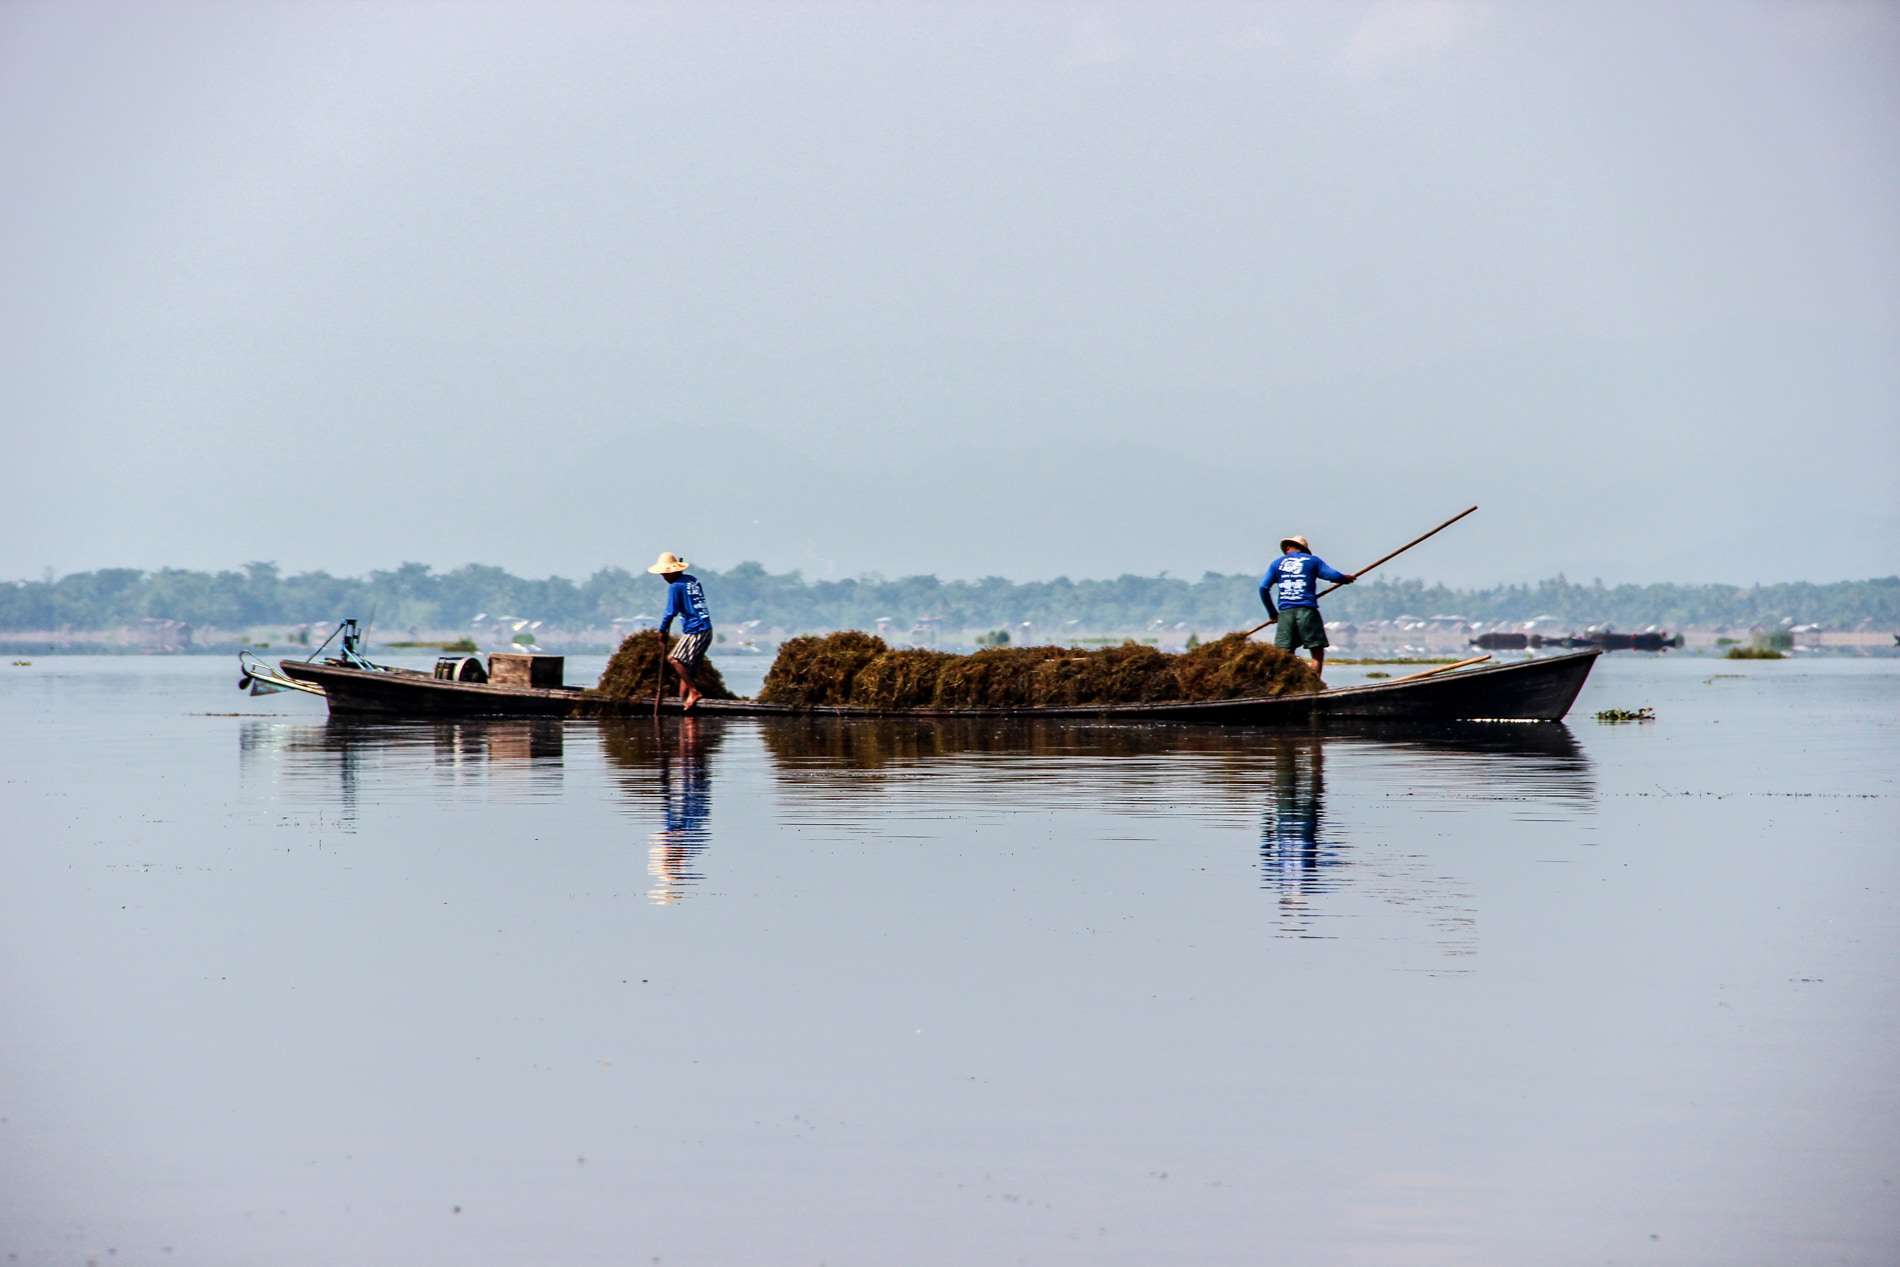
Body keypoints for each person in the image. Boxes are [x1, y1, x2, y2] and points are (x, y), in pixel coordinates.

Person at [1259, 534, 1355, 676]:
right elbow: (1333, 576)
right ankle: (1315, 685)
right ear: (1303, 550)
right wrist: (1344, 578)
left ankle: (1286, 686)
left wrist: (1272, 612)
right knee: (1316, 651)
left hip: (1286, 612)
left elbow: (1263, 588)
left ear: (1287, 548)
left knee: (1284, 653)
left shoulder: (1277, 563)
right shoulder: (1312, 561)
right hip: (1306, 611)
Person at [648, 551, 713, 711]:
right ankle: (684, 703)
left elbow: (670, 611)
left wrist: (662, 631)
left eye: (665, 573)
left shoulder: (675, 586)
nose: (663, 577)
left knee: (674, 659)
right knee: (687, 668)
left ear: (674, 571)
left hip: (695, 630)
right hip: (706, 629)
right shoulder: (692, 580)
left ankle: (694, 691)